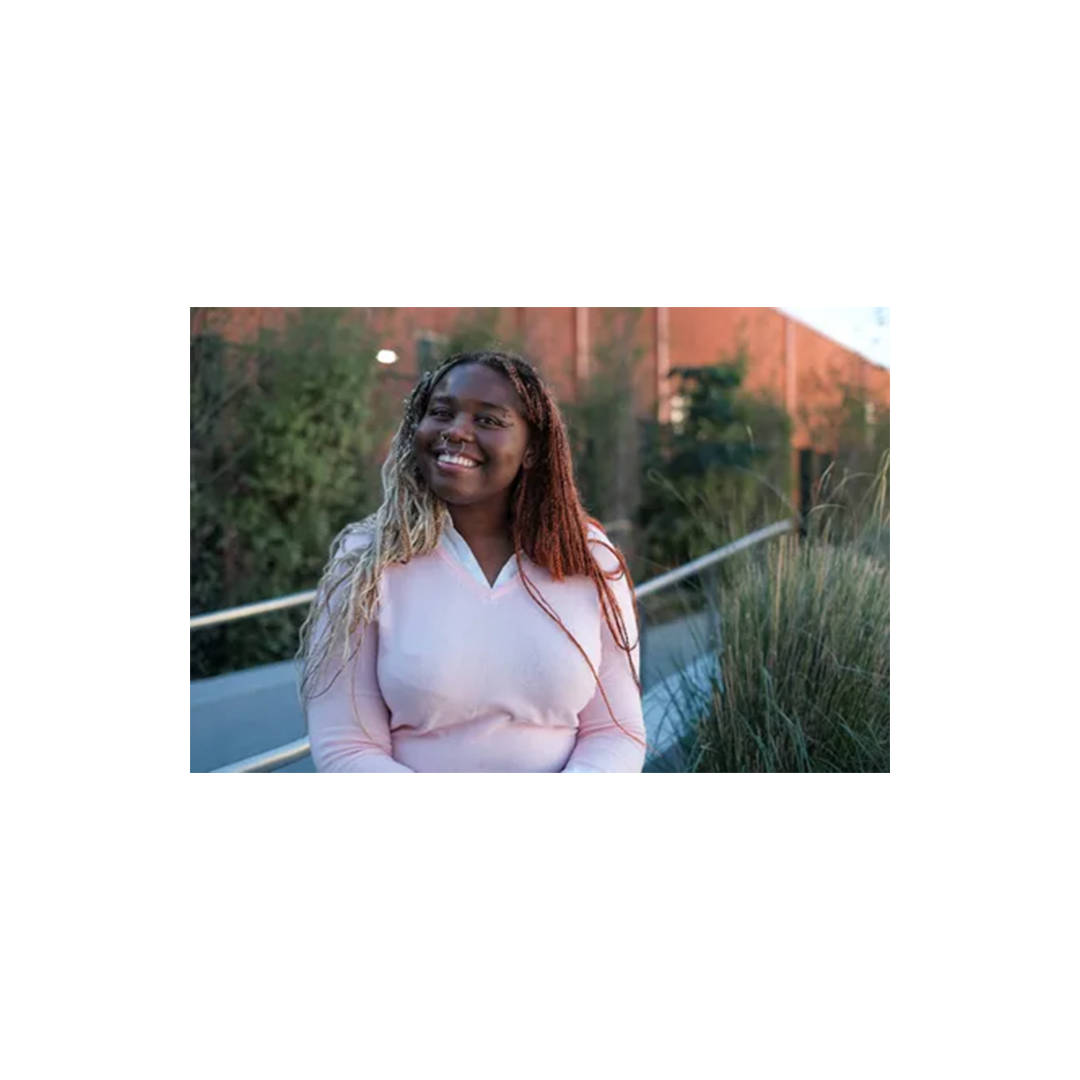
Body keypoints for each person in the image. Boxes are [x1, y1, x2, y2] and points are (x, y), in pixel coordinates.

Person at [297, 350, 647, 772]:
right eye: (441, 413)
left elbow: (616, 731)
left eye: (488, 420)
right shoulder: (366, 560)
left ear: (532, 449)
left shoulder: (587, 558)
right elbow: (346, 745)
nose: (456, 431)